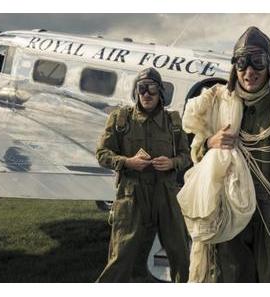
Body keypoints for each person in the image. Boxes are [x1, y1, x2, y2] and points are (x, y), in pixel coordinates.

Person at [187, 26, 270, 282]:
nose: (249, 72)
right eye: (242, 63)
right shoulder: (219, 108)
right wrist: (209, 143)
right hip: (231, 223)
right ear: (234, 69)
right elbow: (197, 159)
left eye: (257, 62)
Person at [95, 67, 191, 283]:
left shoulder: (173, 122)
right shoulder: (120, 119)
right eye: (142, 88)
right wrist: (127, 162)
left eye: (152, 89)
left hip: (166, 195)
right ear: (136, 92)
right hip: (132, 195)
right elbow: (102, 154)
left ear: (161, 93)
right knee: (121, 255)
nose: (147, 94)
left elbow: (187, 155)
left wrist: (172, 163)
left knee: (181, 254)